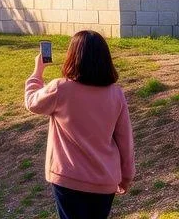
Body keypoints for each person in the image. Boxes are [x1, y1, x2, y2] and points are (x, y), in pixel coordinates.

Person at [24, 30, 134, 219]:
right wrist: (127, 175)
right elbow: (125, 140)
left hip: (68, 178)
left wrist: (37, 71)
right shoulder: (116, 94)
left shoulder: (60, 88)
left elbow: (32, 102)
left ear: (72, 56)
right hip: (105, 179)